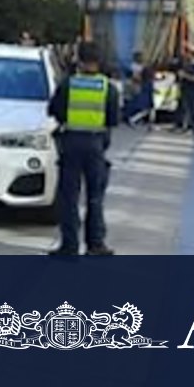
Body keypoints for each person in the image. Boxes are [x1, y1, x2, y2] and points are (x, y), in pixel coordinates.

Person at [47, 42, 119, 256]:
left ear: (79, 60)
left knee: (69, 196)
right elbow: (113, 119)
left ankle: (69, 245)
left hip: (70, 143)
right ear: (99, 61)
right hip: (96, 145)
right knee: (95, 196)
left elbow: (54, 110)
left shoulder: (68, 84)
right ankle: (95, 243)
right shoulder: (108, 88)